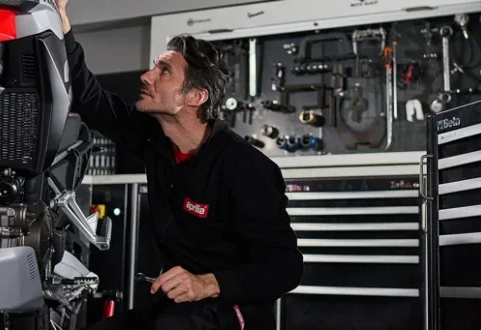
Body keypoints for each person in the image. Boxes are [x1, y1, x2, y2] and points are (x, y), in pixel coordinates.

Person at [54, 1, 304, 329]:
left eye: (164, 71)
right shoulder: (156, 139)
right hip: (176, 306)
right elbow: (91, 99)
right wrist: (62, 24)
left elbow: (285, 267)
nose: (147, 76)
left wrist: (207, 284)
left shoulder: (246, 168)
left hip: (230, 309)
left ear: (196, 96)